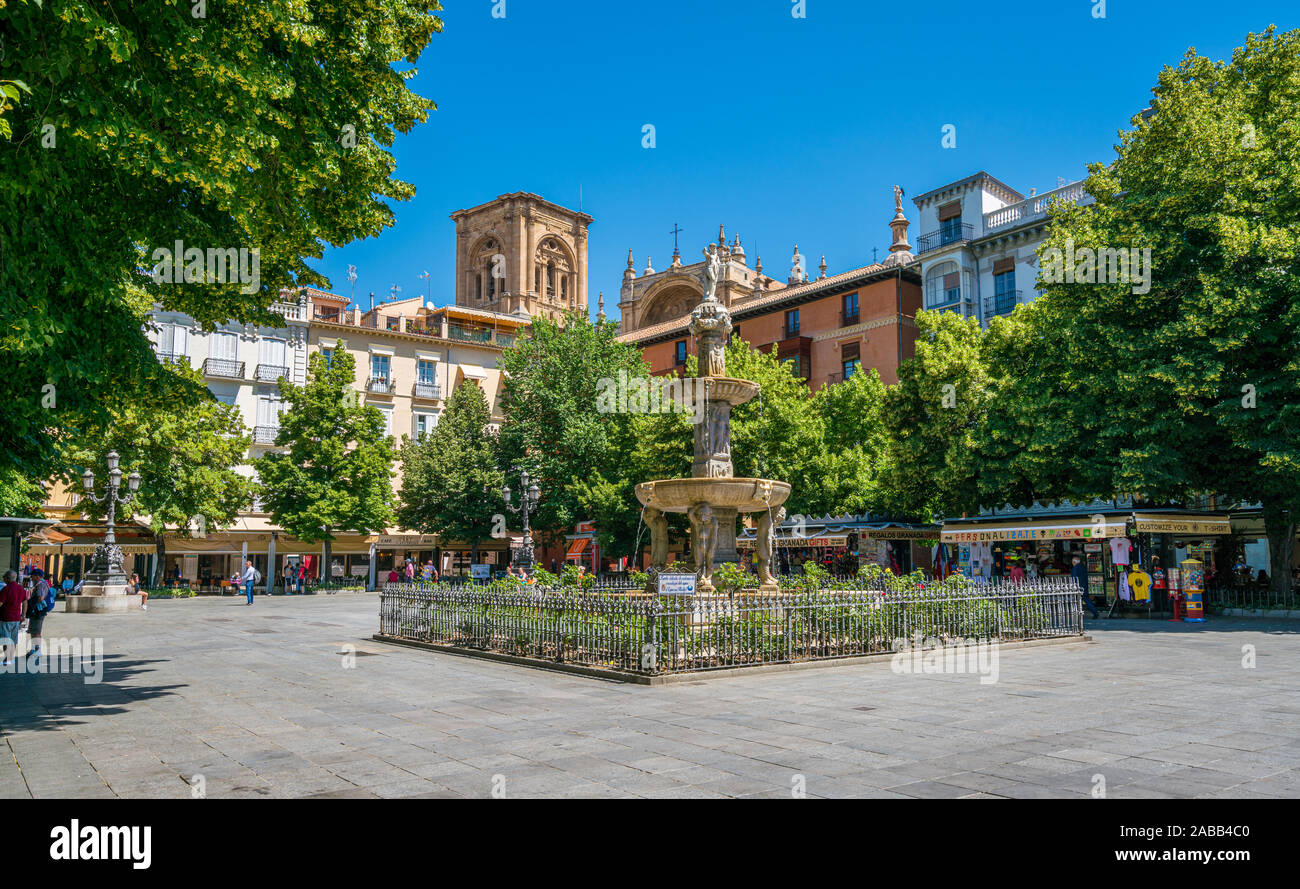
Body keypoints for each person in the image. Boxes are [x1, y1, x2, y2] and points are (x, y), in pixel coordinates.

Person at [26, 568, 55, 664]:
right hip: (37, 611)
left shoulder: (41, 584)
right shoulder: (41, 584)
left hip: (38, 611)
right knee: (33, 630)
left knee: (36, 630)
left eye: (33, 576)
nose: (32, 578)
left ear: (37, 576)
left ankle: (38, 650)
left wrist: (31, 600)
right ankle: (34, 649)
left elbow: (40, 598)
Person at [0, 570, 28, 667]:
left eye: (4, 577)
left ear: (7, 578)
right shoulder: (21, 589)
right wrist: (23, 615)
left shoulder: (5, 589)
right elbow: (25, 603)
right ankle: (11, 658)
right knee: (13, 639)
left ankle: (7, 658)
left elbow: (0, 603)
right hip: (16, 618)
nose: (3, 579)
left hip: (6, 618)